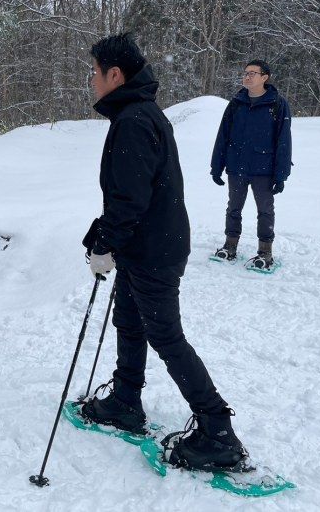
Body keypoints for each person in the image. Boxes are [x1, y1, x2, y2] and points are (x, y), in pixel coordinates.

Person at [81, 33, 248, 471]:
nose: (92, 81)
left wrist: (105, 245)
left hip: (152, 249)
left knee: (166, 336)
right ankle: (125, 399)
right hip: (149, 243)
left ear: (115, 75)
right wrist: (111, 239)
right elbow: (137, 194)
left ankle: (218, 431)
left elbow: (129, 199)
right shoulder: (139, 113)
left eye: (95, 73)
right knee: (130, 322)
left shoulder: (134, 120)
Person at [210, 60, 292, 270]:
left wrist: (281, 174)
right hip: (236, 167)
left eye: (252, 73)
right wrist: (216, 166)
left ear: (265, 77)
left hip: (263, 170)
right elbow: (223, 136)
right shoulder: (236, 103)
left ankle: (265, 252)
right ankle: (230, 246)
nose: (247, 77)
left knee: (265, 210)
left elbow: (284, 141)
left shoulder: (277, 104)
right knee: (233, 208)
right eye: (245, 73)